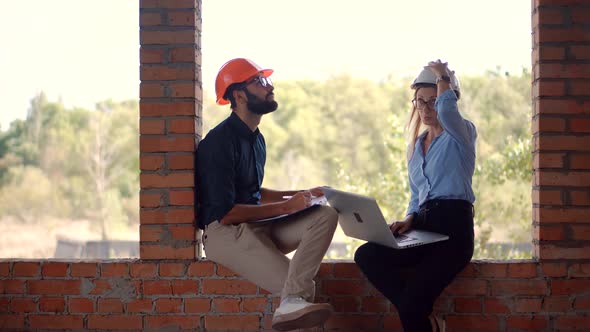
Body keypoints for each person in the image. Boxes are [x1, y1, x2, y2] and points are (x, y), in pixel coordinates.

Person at [196, 58, 338, 331]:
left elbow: (253, 192)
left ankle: (292, 303)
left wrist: (297, 195)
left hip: (256, 226)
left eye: (267, 80)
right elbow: (226, 213)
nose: (269, 87)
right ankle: (294, 303)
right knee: (300, 297)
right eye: (260, 82)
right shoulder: (218, 143)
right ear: (238, 95)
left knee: (325, 214)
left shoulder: (257, 138)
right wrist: (288, 208)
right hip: (224, 234)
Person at [354, 60, 477, 332]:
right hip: (423, 228)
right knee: (366, 255)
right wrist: (409, 218)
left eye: (433, 100)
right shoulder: (416, 146)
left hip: (454, 232)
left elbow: (447, 109)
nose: (426, 108)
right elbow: (416, 193)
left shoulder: (462, 132)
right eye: (420, 101)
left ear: (449, 99)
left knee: (412, 305)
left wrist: (442, 75)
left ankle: (418, 314)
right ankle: (424, 318)